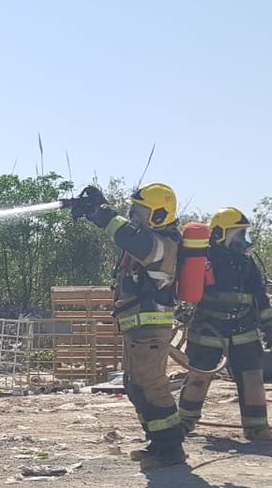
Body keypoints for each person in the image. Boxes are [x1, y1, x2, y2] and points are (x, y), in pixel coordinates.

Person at [67, 183, 186, 470]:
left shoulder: (163, 245)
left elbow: (132, 238)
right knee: (135, 386)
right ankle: (157, 443)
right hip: (138, 330)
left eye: (139, 212)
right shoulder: (147, 240)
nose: (133, 216)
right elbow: (127, 234)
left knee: (152, 386)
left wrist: (103, 212)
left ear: (158, 215)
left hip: (151, 331)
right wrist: (97, 211)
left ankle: (171, 449)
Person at [177, 207, 272, 441]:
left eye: (244, 234)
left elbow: (260, 297)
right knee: (199, 376)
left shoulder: (247, 263)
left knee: (252, 378)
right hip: (208, 328)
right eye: (238, 233)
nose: (242, 239)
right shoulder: (204, 260)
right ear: (221, 233)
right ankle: (183, 424)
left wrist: (269, 325)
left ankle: (256, 428)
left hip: (244, 329)